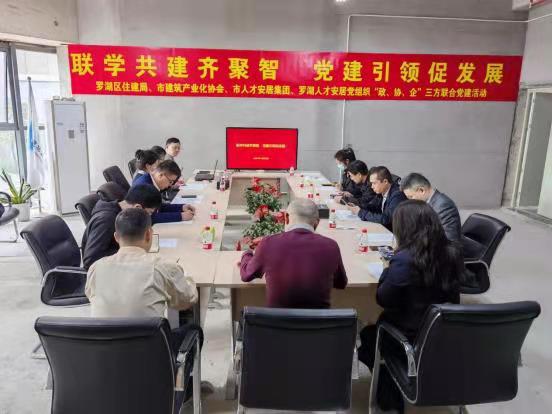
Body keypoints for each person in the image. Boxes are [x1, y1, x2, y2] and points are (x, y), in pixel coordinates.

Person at [357, 200, 463, 412]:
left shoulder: (404, 260)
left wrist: (388, 268)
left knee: (366, 338)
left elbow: (383, 299)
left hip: (407, 337)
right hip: (443, 333)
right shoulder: (453, 252)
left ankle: (389, 390)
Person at [85, 208, 201, 394]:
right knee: (194, 330)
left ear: (116, 237)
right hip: (149, 358)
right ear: (149, 234)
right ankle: (184, 392)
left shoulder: (95, 268)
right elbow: (186, 301)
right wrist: (187, 277)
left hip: (103, 357)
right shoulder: (162, 267)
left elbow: (91, 295)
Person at [240, 199, 348, 308]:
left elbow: (246, 275)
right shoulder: (331, 246)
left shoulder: (269, 243)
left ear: (286, 217)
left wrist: (247, 253)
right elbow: (341, 283)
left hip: (277, 318)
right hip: (318, 318)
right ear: (317, 222)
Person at [82, 184, 161, 269]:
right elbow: (90, 260)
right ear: (138, 207)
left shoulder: (124, 215)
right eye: (149, 213)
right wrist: (130, 252)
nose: (149, 217)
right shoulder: (106, 220)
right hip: (107, 271)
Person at [400, 172, 462, 242]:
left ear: (421, 190)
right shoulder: (426, 204)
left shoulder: (443, 206)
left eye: (411, 197)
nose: (410, 201)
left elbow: (450, 242)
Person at [348, 165, 406, 231]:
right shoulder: (382, 191)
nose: (372, 187)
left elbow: (386, 219)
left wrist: (361, 212)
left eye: (374, 183)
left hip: (392, 233)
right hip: (383, 229)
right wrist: (358, 207)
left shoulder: (397, 195)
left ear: (385, 182)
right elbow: (373, 206)